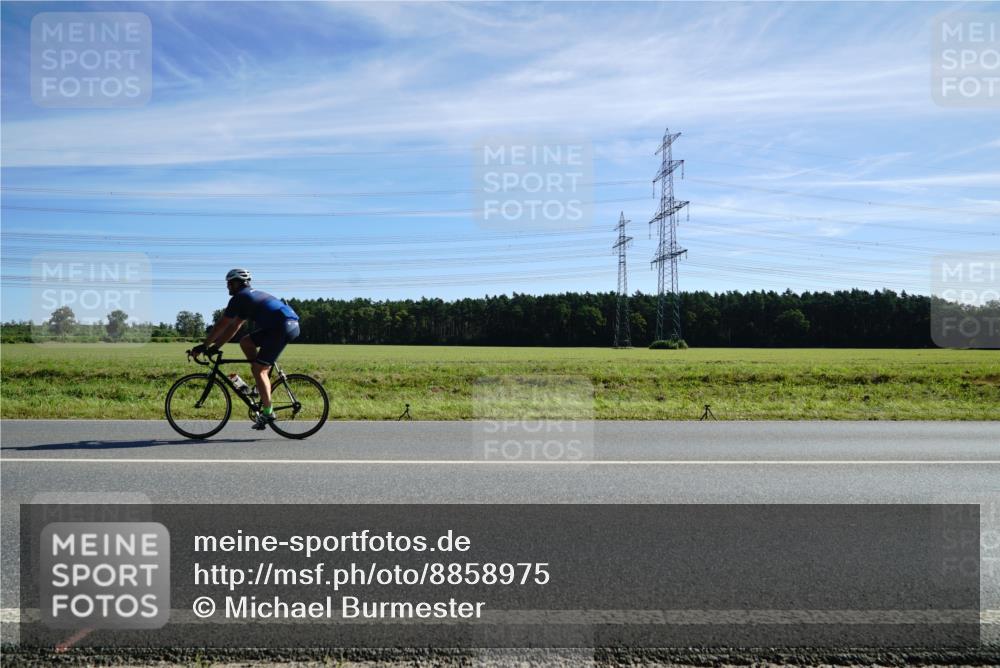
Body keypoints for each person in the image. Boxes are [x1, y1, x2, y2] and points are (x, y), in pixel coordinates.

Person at [192, 268, 300, 430]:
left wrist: (204, 345)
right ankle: (260, 383)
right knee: (246, 342)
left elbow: (222, 324)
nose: (227, 287)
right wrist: (216, 347)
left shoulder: (240, 297)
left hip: (282, 327)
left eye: (229, 283)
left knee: (259, 369)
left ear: (237, 283)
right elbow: (234, 327)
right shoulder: (248, 297)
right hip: (281, 325)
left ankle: (268, 411)